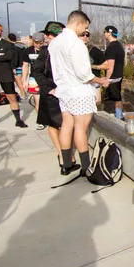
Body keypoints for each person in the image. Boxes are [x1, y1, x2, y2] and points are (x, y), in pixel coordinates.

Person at [48, 11, 109, 177]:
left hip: (64, 90)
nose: (85, 31)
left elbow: (56, 69)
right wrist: (101, 81)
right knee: (80, 128)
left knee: (67, 125)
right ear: (78, 23)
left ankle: (66, 164)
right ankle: (86, 167)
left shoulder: (55, 43)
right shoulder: (76, 43)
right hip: (79, 91)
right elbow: (84, 74)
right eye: (85, 27)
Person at [33, 22, 80, 174]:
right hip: (52, 92)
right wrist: (49, 88)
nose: (48, 38)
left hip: (68, 91)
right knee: (53, 124)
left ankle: (68, 155)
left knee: (68, 124)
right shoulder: (45, 51)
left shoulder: (67, 48)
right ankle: (63, 156)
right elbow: (37, 71)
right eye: (49, 35)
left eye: (52, 35)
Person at [92, 25, 124, 119]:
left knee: (115, 98)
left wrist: (107, 79)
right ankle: (120, 115)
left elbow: (110, 65)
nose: (104, 34)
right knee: (117, 97)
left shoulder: (112, 47)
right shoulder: (119, 45)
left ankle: (118, 118)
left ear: (109, 33)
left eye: (105, 32)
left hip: (113, 78)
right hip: (118, 75)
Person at [22, 32, 46, 129]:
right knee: (38, 101)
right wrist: (25, 80)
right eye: (37, 43)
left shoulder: (47, 50)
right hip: (34, 78)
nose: (39, 45)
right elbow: (25, 65)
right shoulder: (28, 51)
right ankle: (41, 120)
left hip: (46, 77)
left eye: (41, 43)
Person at [80, 30, 106, 108]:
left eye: (87, 35)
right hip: (79, 84)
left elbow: (106, 65)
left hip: (94, 81)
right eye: (82, 34)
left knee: (96, 103)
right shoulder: (71, 49)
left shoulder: (93, 50)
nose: (85, 37)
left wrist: (92, 66)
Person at [9, 33, 28, 100]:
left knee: (18, 81)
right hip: (22, 64)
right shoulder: (21, 46)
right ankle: (23, 92)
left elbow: (14, 58)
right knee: (19, 80)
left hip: (16, 65)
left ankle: (23, 93)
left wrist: (13, 67)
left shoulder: (12, 47)